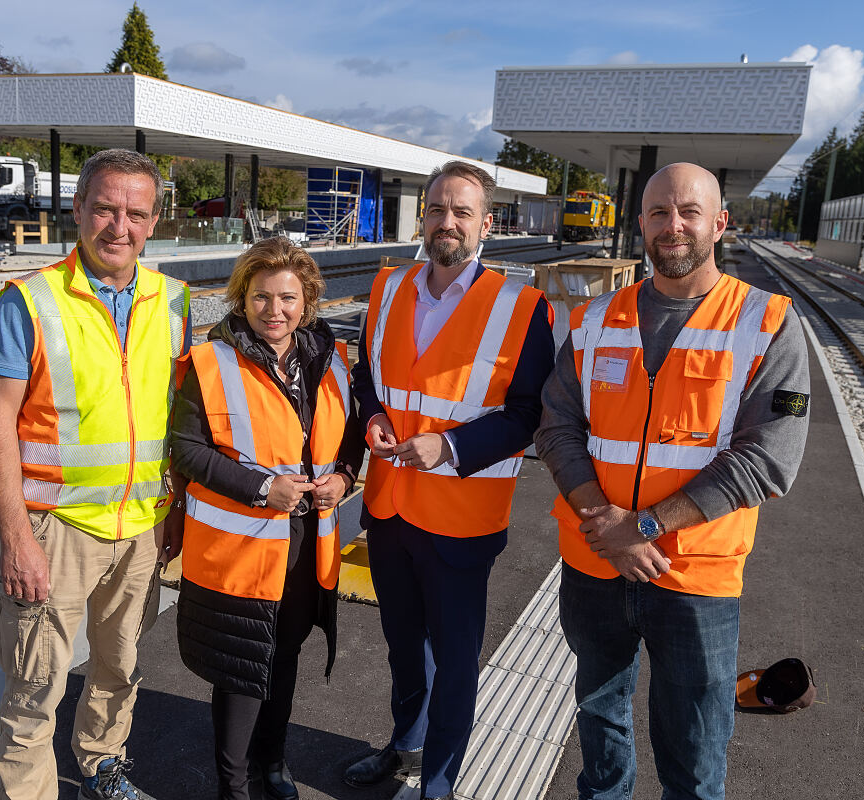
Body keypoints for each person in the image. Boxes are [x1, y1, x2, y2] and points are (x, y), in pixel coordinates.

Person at [534, 162, 810, 800]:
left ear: (720, 222)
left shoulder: (766, 321)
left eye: (688, 211)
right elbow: (557, 427)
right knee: (599, 718)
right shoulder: (598, 317)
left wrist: (646, 527)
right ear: (640, 223)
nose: (673, 225)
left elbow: (769, 458)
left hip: (695, 578)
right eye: (659, 212)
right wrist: (609, 525)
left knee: (693, 744)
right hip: (595, 565)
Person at [0, 148, 191, 800]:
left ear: (154, 221)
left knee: (119, 667)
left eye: (134, 212)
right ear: (77, 209)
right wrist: (17, 538)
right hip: (56, 531)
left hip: (142, 531)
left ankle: (102, 762)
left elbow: (175, 422)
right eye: (104, 208)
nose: (118, 226)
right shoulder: (30, 303)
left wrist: (174, 511)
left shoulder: (175, 301)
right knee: (35, 683)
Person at [344, 161, 554, 800]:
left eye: (463, 212)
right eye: (437, 209)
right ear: (422, 218)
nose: (447, 222)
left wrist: (452, 445)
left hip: (463, 518)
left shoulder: (523, 307)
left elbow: (528, 414)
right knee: (403, 647)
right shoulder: (389, 287)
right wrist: (374, 416)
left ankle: (437, 782)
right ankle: (406, 747)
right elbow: (366, 376)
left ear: (486, 224)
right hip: (387, 507)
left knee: (456, 663)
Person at [172, 237, 364, 800]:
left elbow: (349, 437)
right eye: (260, 297)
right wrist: (262, 488)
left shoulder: (331, 361)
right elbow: (187, 450)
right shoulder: (209, 362)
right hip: (241, 550)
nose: (274, 311)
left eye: (287, 298)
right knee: (241, 669)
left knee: (285, 657)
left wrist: (345, 477)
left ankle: (272, 767)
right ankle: (232, 787)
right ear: (242, 298)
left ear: (306, 300)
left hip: (307, 543)